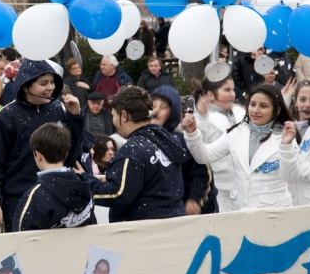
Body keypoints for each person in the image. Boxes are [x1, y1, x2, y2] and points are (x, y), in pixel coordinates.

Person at [0, 59, 84, 233]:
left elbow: (73, 153)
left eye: (52, 82)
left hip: (56, 194)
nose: (50, 87)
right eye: (43, 83)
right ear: (25, 85)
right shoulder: (7, 115)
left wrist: (75, 117)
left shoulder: (59, 108)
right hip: (17, 197)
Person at [182, 84, 296, 210]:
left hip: (275, 213)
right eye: (252, 104)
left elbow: (290, 178)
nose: (255, 110)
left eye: (263, 106)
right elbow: (204, 156)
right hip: (240, 212)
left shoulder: (286, 136)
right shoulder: (236, 132)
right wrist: (192, 133)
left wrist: (286, 146)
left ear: (277, 110)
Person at [92, 85, 188, 222]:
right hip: (175, 222)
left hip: (144, 231)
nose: (113, 121)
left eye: (113, 115)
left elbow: (118, 195)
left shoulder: (132, 151)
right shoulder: (167, 141)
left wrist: (84, 185)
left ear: (124, 116)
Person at [13, 123, 98, 232]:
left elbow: (20, 239)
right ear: (66, 154)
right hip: (82, 248)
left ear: (38, 155)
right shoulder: (84, 187)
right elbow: (94, 229)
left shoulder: (36, 196)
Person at [151, 85, 218, 215]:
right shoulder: (143, 141)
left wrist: (195, 199)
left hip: (187, 210)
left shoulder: (183, 140)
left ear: (173, 112)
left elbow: (202, 172)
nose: (156, 111)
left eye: (163, 107)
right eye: (153, 106)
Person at [187, 75, 245, 213]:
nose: (232, 94)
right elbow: (196, 147)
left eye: (232, 89)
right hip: (219, 185)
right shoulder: (199, 117)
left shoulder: (241, 112)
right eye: (227, 90)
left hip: (243, 182)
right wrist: (201, 118)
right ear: (210, 95)